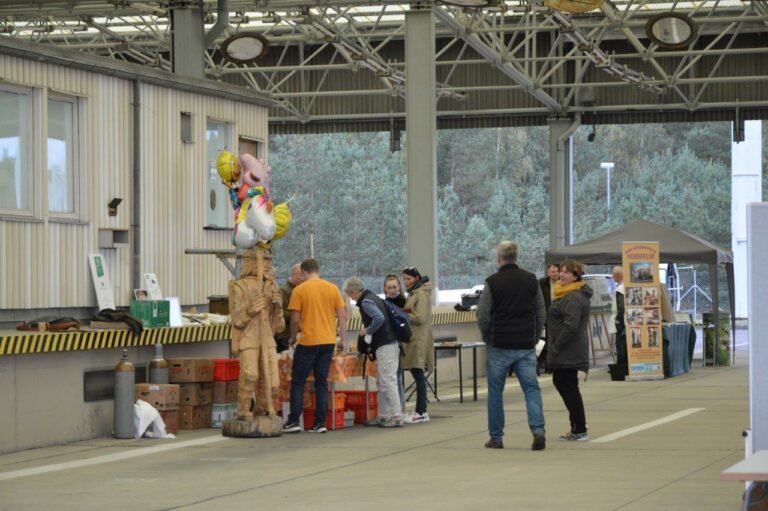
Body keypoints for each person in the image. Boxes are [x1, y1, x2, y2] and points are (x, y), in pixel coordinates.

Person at [477, 241, 547, 450]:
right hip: (525, 345)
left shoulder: (492, 282)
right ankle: (538, 430)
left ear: (499, 259)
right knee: (531, 389)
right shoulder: (531, 280)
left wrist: (487, 336)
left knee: (496, 392)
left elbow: (482, 314)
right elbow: (541, 312)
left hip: (499, 344)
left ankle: (496, 438)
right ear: (516, 257)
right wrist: (534, 337)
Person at [282, 258, 348, 434]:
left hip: (308, 341)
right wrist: (342, 339)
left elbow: (295, 319)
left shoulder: (300, 290)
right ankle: (320, 423)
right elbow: (342, 315)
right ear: (318, 270)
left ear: (303, 272)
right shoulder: (332, 288)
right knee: (321, 383)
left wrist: (292, 338)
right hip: (328, 342)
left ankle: (294, 420)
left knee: (298, 382)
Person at [343, 277, 402, 428]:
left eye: (350, 295)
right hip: (388, 343)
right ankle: (382, 416)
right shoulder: (373, 297)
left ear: (354, 291)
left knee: (388, 381)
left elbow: (378, 318)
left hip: (385, 344)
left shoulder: (366, 302)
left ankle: (397, 416)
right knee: (382, 381)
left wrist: (367, 331)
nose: (351, 298)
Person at [547, 259, 593, 442]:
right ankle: (578, 425)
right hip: (566, 348)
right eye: (561, 271)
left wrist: (556, 346)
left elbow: (571, 326)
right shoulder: (565, 293)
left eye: (567, 272)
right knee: (563, 383)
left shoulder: (573, 296)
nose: (562, 274)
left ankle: (579, 428)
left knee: (568, 386)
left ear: (575, 276)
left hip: (569, 349)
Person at [400, 266, 434, 424]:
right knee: (417, 373)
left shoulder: (421, 293)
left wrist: (402, 313)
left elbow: (419, 317)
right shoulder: (415, 293)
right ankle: (421, 410)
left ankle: (421, 411)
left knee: (418, 374)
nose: (406, 282)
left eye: (409, 279)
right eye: (404, 279)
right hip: (415, 337)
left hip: (418, 339)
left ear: (416, 278)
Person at [383, 274, 408, 414]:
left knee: (396, 377)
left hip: (400, 343)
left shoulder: (404, 302)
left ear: (399, 287)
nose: (392, 290)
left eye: (394, 287)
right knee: (392, 377)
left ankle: (400, 407)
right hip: (389, 342)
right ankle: (394, 406)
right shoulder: (384, 303)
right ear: (385, 289)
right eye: (389, 288)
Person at [274, 263, 302, 353]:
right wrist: (297, 315)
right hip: (286, 336)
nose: (303, 277)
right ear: (293, 274)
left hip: (300, 336)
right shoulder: (282, 291)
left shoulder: (303, 290)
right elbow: (278, 312)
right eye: (301, 275)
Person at [537, 263, 559, 373]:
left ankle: (556, 363)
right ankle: (547, 363)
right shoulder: (542, 283)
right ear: (548, 273)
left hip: (559, 316)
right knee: (547, 340)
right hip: (546, 315)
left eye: (556, 271)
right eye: (552, 272)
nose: (555, 274)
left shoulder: (562, 282)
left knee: (557, 340)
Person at [608, 266, 626, 362]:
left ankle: (620, 365)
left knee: (620, 344)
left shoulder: (620, 289)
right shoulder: (623, 287)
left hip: (620, 322)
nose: (612, 276)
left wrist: (617, 321)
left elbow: (621, 307)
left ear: (617, 275)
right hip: (621, 321)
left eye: (613, 274)